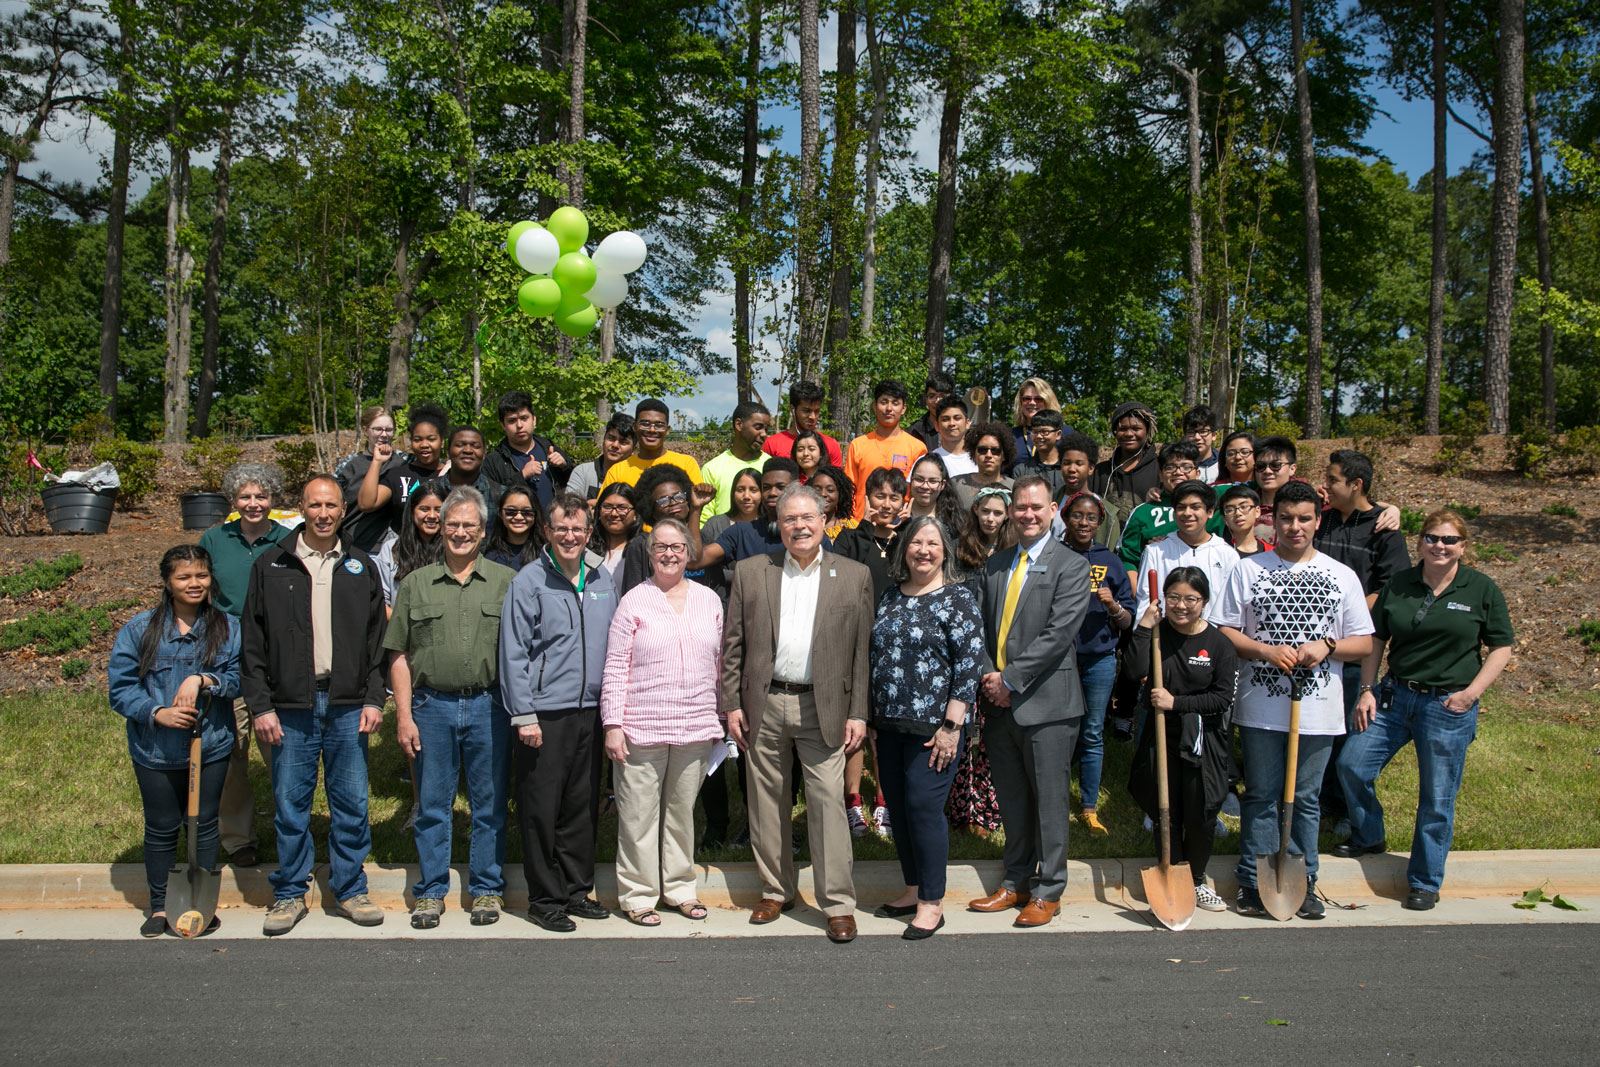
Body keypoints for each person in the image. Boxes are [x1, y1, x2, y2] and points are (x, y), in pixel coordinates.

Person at [1335, 510, 1513, 911]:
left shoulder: (1480, 589)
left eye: (1449, 540)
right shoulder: (1400, 585)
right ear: (1420, 543)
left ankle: (1425, 880)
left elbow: (1501, 646)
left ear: (1463, 547)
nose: (1440, 546)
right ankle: (1369, 835)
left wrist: (1471, 694)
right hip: (1394, 697)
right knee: (1352, 765)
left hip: (1448, 705)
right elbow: (1375, 638)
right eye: (1432, 538)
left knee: (1437, 797)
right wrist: (1366, 690)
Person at [1214, 480, 1375, 920]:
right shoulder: (1249, 570)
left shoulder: (1340, 575)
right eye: (1286, 517)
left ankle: (1305, 882)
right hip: (1261, 704)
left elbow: (1363, 642)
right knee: (1262, 794)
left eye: (1304, 518)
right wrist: (1265, 650)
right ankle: (1253, 880)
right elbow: (1224, 630)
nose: (1295, 526)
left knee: (1305, 798)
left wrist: (1327, 645)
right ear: (1274, 520)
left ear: (1317, 521)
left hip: (1319, 708)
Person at [721, 484, 875, 942]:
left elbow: (861, 654)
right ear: (779, 525)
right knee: (765, 800)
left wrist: (859, 712)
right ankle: (776, 889)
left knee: (827, 802)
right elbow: (733, 645)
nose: (800, 526)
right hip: (762, 703)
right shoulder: (752, 572)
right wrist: (730, 703)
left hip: (823, 705)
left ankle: (837, 903)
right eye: (790, 519)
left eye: (808, 517)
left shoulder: (854, 576)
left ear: (825, 520)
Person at [241, 476, 388, 935]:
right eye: (314, 505)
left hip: (347, 706)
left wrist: (373, 698)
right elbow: (252, 643)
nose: (323, 513)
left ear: (343, 510)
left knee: (350, 802)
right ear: (300, 508)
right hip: (290, 707)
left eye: (331, 505)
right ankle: (289, 893)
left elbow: (376, 643)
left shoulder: (360, 566)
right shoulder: (272, 565)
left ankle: (350, 888)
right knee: (291, 803)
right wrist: (261, 706)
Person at [386, 487, 515, 929]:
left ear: (483, 532)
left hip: (490, 706)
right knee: (433, 806)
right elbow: (398, 655)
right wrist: (403, 716)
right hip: (431, 708)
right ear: (440, 529)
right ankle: (431, 891)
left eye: (470, 526)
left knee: (489, 804)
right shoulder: (415, 584)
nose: (460, 533)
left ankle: (486, 889)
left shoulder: (505, 582)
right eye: (453, 525)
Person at [968, 475, 1091, 928]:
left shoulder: (1072, 566)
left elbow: (1059, 634)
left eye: (1037, 507)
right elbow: (977, 625)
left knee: (1050, 801)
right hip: (999, 705)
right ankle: (1015, 880)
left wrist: (1012, 679)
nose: (1028, 515)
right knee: (1013, 800)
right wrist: (988, 675)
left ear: (1053, 509)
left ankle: (1049, 888)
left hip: (1048, 705)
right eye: (1021, 507)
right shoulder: (997, 563)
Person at [498, 492, 618, 932]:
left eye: (578, 529)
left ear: (589, 533)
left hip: (592, 711)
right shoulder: (529, 582)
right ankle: (544, 898)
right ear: (547, 531)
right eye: (561, 528)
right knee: (541, 808)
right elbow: (512, 652)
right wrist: (523, 714)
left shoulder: (603, 578)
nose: (570, 536)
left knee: (580, 806)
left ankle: (575, 890)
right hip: (544, 713)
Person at [109, 545, 241, 937]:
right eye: (184, 577)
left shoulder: (228, 628)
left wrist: (205, 680)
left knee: (202, 824)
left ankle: (201, 902)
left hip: (210, 744)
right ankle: (159, 905)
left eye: (201, 575)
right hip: (156, 749)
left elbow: (239, 679)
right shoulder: (140, 629)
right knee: (163, 825)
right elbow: (121, 689)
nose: (194, 583)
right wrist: (157, 713)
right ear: (167, 582)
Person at [601, 518, 725, 926]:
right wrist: (613, 724)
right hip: (641, 727)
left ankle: (680, 889)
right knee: (638, 815)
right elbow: (616, 666)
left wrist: (721, 716)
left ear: (690, 553)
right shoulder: (634, 600)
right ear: (650, 553)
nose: (669, 554)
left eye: (677, 547)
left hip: (695, 726)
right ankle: (638, 894)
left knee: (681, 813)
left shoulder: (709, 600)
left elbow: (720, 664)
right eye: (661, 547)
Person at [869, 516, 983, 939]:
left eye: (932, 543)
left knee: (922, 807)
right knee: (898, 809)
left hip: (935, 727)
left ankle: (932, 902)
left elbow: (968, 667)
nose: (923, 550)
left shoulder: (958, 599)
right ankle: (912, 888)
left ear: (945, 551)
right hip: (890, 723)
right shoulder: (890, 596)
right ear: (904, 549)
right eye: (916, 542)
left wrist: (953, 725)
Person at [1124, 567, 1241, 914]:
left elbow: (1223, 698)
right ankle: (1173, 871)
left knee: (1201, 813)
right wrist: (1144, 625)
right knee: (1165, 809)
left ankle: (1198, 879)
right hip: (1161, 736)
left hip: (1203, 741)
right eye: (1174, 597)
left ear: (1204, 601)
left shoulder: (1219, 645)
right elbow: (1132, 670)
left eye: (1190, 599)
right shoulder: (1157, 634)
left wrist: (1178, 703)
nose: (1181, 605)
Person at [196, 462, 288, 867]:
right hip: (224, 652)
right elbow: (196, 592)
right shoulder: (215, 540)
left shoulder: (288, 540)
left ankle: (292, 829)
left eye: (261, 496)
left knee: (281, 748)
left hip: (275, 654)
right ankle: (237, 839)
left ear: (272, 499)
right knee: (231, 749)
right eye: (246, 497)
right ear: (234, 501)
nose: (254, 504)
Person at [1315, 448, 1413, 829]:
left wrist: (1348, 613)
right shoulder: (1322, 522)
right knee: (1320, 727)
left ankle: (1343, 808)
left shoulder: (1384, 530)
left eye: (1333, 479)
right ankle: (1322, 802)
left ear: (1355, 484)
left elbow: (1390, 587)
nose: (1326, 485)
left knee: (1346, 731)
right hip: (1314, 644)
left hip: (1354, 649)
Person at [1061, 490, 1135, 835]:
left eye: (1091, 517)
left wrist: (1114, 606)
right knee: (1061, 732)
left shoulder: (1111, 561)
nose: (1084, 523)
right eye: (1077, 515)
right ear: (1065, 518)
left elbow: (1128, 621)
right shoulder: (1054, 556)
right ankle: (1054, 799)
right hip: (1060, 659)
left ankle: (1089, 807)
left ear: (1100, 522)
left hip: (1099, 659)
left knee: (1092, 732)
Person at [1117, 442, 1225, 585]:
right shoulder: (1143, 512)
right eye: (1170, 467)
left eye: (1186, 467)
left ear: (1197, 473)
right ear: (1160, 475)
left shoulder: (1215, 503)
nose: (1178, 472)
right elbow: (1128, 559)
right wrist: (1139, 597)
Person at [1132, 480, 1240, 621]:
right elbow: (1145, 602)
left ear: (1210, 512)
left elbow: (1232, 607)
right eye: (1181, 507)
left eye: (1195, 507)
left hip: (1212, 638)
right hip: (1166, 637)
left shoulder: (1227, 554)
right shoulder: (1155, 552)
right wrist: (1143, 636)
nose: (1187, 513)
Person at [688, 458, 802, 571]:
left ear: (796, 489)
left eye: (780, 487)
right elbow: (694, 561)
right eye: (766, 487)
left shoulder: (809, 533)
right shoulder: (740, 532)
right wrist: (696, 509)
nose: (772, 493)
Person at [619, 464, 714, 596]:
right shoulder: (640, 545)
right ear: (651, 510)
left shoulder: (704, 539)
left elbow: (716, 586)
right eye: (663, 501)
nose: (673, 503)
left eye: (679, 497)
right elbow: (632, 594)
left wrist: (696, 508)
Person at [357, 403, 449, 535]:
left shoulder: (452, 475)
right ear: (411, 442)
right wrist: (377, 462)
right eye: (417, 439)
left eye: (431, 439)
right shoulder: (398, 474)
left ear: (442, 442)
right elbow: (366, 504)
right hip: (403, 550)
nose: (424, 445)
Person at [844, 379, 927, 519]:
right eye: (884, 402)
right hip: (862, 523)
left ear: (903, 408)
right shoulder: (858, 445)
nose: (889, 408)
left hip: (900, 525)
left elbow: (920, 492)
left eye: (895, 403)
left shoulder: (917, 448)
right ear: (874, 406)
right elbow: (848, 489)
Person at [335, 405, 408, 552]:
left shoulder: (404, 462)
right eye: (377, 429)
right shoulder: (350, 464)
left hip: (390, 549)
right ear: (365, 430)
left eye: (388, 430)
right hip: (352, 544)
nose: (384, 434)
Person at [481, 390, 570, 510]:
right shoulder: (494, 461)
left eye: (524, 418)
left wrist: (564, 466)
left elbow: (573, 487)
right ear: (503, 425)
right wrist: (522, 476)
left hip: (552, 526)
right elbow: (491, 500)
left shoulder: (550, 448)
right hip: (516, 525)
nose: (519, 425)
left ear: (534, 420)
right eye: (512, 420)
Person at [601, 398, 704, 489]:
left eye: (659, 425)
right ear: (635, 427)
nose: (652, 430)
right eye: (645, 424)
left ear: (667, 430)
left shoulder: (686, 464)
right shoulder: (617, 471)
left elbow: (695, 505)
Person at [373, 481, 445, 607]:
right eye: (424, 509)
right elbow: (381, 600)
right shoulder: (391, 549)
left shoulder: (454, 549)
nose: (432, 516)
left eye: (439, 510)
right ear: (412, 511)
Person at [701, 401, 771, 524]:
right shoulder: (712, 468)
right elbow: (705, 519)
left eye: (766, 429)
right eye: (758, 427)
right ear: (739, 425)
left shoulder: (770, 466)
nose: (764, 434)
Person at [1092, 401, 1160, 516]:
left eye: (1136, 428)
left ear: (1147, 431)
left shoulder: (1160, 470)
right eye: (1123, 429)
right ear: (1115, 432)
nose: (1129, 434)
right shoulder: (1100, 472)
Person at [764, 380, 844, 466]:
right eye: (806, 411)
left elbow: (836, 478)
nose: (812, 417)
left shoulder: (831, 445)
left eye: (816, 411)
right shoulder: (772, 444)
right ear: (792, 409)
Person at [566, 412, 636, 502]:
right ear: (604, 439)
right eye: (611, 438)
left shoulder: (638, 475)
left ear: (633, 448)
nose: (615, 445)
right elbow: (569, 508)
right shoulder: (583, 472)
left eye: (623, 442)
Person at [443, 425, 504, 520]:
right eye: (460, 445)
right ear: (448, 451)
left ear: (484, 453)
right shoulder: (430, 492)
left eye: (475, 446)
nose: (468, 450)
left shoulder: (500, 496)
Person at [951, 422, 1016, 510]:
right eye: (982, 450)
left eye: (995, 450)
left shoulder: (1014, 488)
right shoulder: (956, 484)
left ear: (1004, 455)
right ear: (974, 453)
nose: (988, 455)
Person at [483, 487, 543, 571]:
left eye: (526, 512)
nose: (519, 517)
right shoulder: (488, 554)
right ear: (500, 513)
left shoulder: (546, 554)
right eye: (510, 511)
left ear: (535, 515)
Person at [907, 453, 967, 534]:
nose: (925, 486)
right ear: (911, 480)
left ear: (942, 484)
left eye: (933, 481)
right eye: (919, 479)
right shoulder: (897, 516)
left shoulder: (955, 522)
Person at [1012, 411, 1066, 496]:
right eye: (1035, 432)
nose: (1039, 436)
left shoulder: (1067, 469)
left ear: (1058, 434)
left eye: (1045, 432)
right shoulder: (1021, 471)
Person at [1010, 377, 1064, 460]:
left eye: (1038, 399)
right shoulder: (1010, 436)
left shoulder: (1065, 433)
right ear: (1020, 402)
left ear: (1048, 401)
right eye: (1027, 398)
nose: (1032, 402)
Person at [930, 395, 977, 478]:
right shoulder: (928, 460)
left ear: (967, 423)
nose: (952, 423)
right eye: (945, 419)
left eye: (957, 418)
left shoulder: (981, 459)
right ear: (937, 425)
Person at [1220, 483, 1268, 556]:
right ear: (1225, 519)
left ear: (1257, 511)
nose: (1238, 513)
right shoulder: (1219, 553)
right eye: (1230, 510)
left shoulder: (1272, 552)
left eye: (1244, 507)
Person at [810, 465, 857, 540]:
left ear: (840, 494)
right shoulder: (803, 525)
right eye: (817, 489)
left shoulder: (850, 527)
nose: (823, 494)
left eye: (830, 490)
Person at [1182, 405, 1222, 484]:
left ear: (1214, 435)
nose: (1197, 437)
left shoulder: (1223, 465)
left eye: (1203, 432)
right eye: (1191, 432)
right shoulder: (1177, 466)